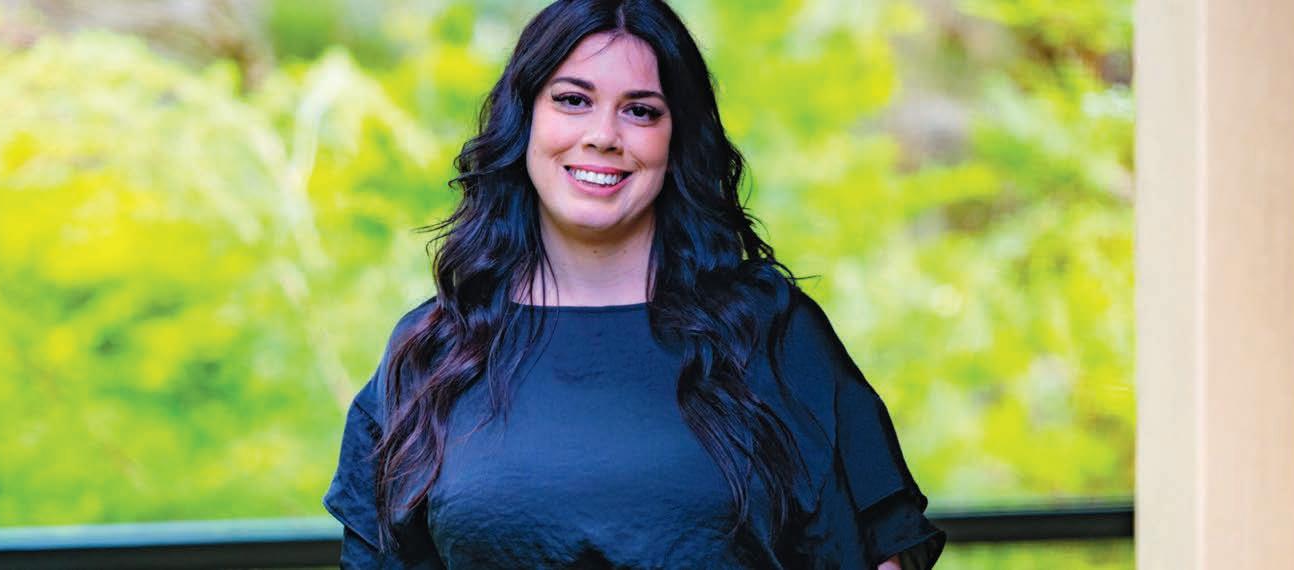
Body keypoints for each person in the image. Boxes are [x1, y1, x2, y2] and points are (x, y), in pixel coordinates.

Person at [322, 0, 946, 567]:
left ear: (676, 139)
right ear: (525, 119)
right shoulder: (433, 352)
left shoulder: (769, 333)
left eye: (640, 110)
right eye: (573, 100)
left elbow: (879, 553)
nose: (603, 135)